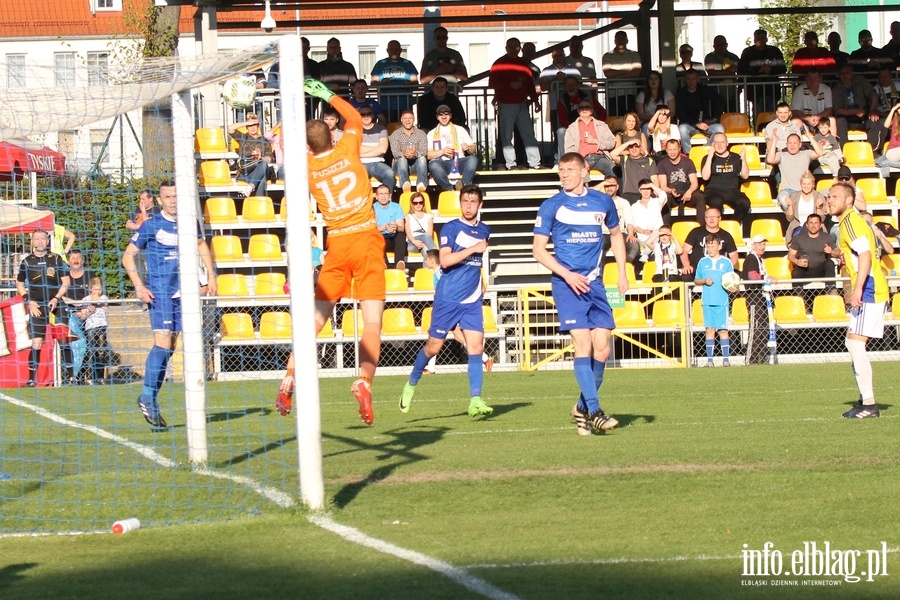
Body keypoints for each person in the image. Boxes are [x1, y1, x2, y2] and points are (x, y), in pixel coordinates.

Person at [277, 79, 388, 426]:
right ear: (331, 133)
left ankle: (290, 374)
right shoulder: (348, 148)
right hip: (366, 238)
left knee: (316, 319)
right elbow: (354, 118)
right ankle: (364, 380)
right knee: (372, 321)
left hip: (336, 243)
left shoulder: (306, 168)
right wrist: (326, 95)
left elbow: (284, 141)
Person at [532, 152, 627, 435]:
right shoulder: (552, 206)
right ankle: (596, 410)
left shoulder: (603, 201)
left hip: (595, 283)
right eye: (562, 170)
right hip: (567, 284)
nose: (565, 174)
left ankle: (581, 407)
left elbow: (616, 235)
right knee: (583, 344)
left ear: (585, 171)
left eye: (571, 169)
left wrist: (621, 272)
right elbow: (538, 250)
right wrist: (566, 274)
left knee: (603, 346)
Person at [121, 181, 217, 429]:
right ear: (160, 200)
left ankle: (148, 397)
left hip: (184, 292)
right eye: (167, 196)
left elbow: (200, 244)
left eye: (176, 196)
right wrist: (139, 286)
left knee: (171, 346)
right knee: (163, 343)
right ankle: (147, 398)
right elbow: (127, 256)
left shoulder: (189, 223)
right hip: (160, 292)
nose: (172, 200)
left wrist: (212, 274)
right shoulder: (151, 225)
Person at [398, 185, 493, 418]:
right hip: (448, 297)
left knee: (476, 348)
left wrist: (480, 280)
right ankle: (410, 385)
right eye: (465, 201)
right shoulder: (451, 228)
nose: (468, 205)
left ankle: (475, 399)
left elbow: (475, 263)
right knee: (433, 347)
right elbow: (446, 260)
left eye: (473, 201)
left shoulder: (484, 229)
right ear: (460, 203)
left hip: (472, 299)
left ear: (480, 205)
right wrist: (474, 249)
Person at [827, 183, 888, 419]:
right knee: (853, 343)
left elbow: (865, 254)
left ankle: (870, 405)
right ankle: (864, 401)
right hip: (870, 286)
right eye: (829, 196)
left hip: (870, 288)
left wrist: (859, 288)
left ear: (849, 200)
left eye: (835, 196)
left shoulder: (851, 220)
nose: (830, 200)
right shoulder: (847, 221)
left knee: (855, 344)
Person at [419, 249, 494, 376]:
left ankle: (430, 367)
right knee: (456, 335)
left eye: (427, 259)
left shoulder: (440, 274)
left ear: (431, 261)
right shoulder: (441, 272)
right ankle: (485, 358)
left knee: (435, 336)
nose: (425, 261)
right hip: (451, 307)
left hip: (448, 309)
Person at [16, 229, 71, 387]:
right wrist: (29, 301)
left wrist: (56, 298)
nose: (40, 242)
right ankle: (31, 379)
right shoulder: (27, 262)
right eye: (36, 239)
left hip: (56, 305)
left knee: (63, 340)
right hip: (37, 307)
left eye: (43, 239)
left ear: (48, 241)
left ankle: (72, 378)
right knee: (36, 343)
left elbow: (66, 282)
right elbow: (19, 283)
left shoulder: (56, 259)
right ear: (32, 242)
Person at [489, 37, 542, 171]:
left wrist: (535, 101)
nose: (513, 49)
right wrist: (509, 85)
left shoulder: (523, 64)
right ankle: (511, 164)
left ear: (519, 48)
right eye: (511, 47)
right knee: (507, 135)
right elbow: (492, 83)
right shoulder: (499, 64)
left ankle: (535, 162)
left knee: (528, 133)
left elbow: (530, 84)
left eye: (516, 47)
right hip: (506, 103)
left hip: (521, 103)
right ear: (506, 48)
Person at [694, 233, 735, 367]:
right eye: (708, 246)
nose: (710, 249)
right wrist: (704, 281)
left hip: (721, 301)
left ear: (719, 246)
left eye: (713, 246)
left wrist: (734, 288)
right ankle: (710, 360)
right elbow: (696, 279)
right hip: (707, 301)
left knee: (723, 330)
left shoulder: (726, 262)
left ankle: (726, 359)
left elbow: (732, 281)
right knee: (709, 329)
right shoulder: (702, 262)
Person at [740, 234, 778, 365]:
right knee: (755, 329)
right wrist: (767, 278)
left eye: (763, 244)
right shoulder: (751, 258)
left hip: (762, 297)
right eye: (759, 244)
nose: (762, 247)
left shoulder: (760, 259)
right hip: (754, 296)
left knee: (763, 328)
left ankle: (761, 357)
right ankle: (750, 358)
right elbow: (752, 276)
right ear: (753, 245)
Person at [765, 128, 824, 209]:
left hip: (803, 190)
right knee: (783, 200)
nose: (792, 145)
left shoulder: (806, 154)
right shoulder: (781, 155)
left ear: (800, 144)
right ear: (786, 144)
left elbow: (820, 152)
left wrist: (810, 137)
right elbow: (770, 159)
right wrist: (774, 141)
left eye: (795, 143)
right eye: (790, 143)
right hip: (787, 191)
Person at [700, 133, 751, 224]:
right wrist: (710, 158)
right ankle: (718, 229)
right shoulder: (707, 158)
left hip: (731, 190)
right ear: (713, 144)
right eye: (717, 142)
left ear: (727, 143)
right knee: (716, 202)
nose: (719, 145)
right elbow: (705, 176)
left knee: (744, 202)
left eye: (722, 142)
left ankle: (733, 225)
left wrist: (743, 160)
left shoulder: (735, 157)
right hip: (713, 191)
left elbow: (745, 175)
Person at [60, 248, 94, 384]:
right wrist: (74, 305)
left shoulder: (90, 274)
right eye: (73, 258)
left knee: (91, 343)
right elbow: (59, 296)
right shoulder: (63, 275)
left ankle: (85, 376)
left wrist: (87, 311)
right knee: (78, 343)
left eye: (78, 257)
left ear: (83, 260)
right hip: (69, 313)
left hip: (88, 313)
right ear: (68, 262)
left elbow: (96, 293)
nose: (76, 260)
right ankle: (71, 375)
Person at [426, 104, 479, 191]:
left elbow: (473, 149)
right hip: (442, 163)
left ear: (450, 116)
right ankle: (449, 189)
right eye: (441, 114)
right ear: (437, 117)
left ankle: (463, 185)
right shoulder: (431, 133)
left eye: (446, 114)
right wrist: (442, 152)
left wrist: (468, 148)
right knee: (433, 165)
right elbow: (428, 155)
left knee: (473, 159)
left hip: (459, 161)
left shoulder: (460, 129)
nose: (443, 116)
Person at [556, 75, 607, 162]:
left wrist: (597, 124)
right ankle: (564, 161)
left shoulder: (589, 97)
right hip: (572, 128)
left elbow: (602, 112)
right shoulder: (562, 101)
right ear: (564, 87)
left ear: (578, 85)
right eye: (568, 86)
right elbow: (563, 120)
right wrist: (577, 127)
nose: (570, 87)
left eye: (573, 85)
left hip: (590, 126)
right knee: (560, 131)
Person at [680, 206, 740, 279]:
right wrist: (686, 265)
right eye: (709, 217)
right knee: (685, 277)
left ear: (719, 218)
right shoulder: (695, 232)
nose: (711, 219)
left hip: (718, 271)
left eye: (714, 216)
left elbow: (734, 254)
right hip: (697, 270)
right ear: (705, 218)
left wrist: (727, 268)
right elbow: (685, 250)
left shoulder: (726, 235)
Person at [831, 64, 881, 150]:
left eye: (847, 73)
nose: (845, 76)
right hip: (847, 120)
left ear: (851, 73)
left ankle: (871, 150)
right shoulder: (836, 88)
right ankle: (844, 151)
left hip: (864, 118)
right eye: (842, 74)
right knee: (839, 121)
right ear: (839, 75)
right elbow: (837, 110)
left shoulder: (860, 81)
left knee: (874, 120)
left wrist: (872, 110)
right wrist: (855, 111)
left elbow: (874, 95)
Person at [657, 138, 706, 224]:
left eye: (674, 149)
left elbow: (695, 183)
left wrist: (689, 192)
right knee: (665, 197)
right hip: (672, 194)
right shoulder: (662, 164)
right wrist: (670, 190)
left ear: (679, 149)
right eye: (670, 150)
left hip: (687, 193)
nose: (672, 152)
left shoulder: (688, 162)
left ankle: (701, 228)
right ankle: (666, 230)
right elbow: (663, 186)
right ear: (666, 150)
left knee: (700, 196)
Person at [674, 69, 726, 151]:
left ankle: (707, 150)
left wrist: (715, 117)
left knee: (720, 128)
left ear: (698, 79)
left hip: (706, 124)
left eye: (693, 79)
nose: (691, 82)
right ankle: (689, 154)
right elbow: (681, 114)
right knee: (682, 128)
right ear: (685, 80)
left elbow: (720, 101)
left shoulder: (704, 90)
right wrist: (696, 124)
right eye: (688, 79)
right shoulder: (681, 93)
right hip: (689, 125)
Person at [563, 99, 616, 178]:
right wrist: (581, 160)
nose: (584, 109)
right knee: (580, 173)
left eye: (587, 107)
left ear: (591, 110)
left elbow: (612, 142)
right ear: (578, 111)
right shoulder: (571, 128)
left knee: (613, 168)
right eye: (582, 107)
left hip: (600, 158)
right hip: (582, 158)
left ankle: (611, 190)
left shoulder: (602, 125)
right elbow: (569, 150)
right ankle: (586, 190)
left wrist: (597, 141)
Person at [738, 29, 786, 113]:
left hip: (772, 91)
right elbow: (742, 69)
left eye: (762, 38)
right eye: (757, 38)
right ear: (754, 39)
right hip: (755, 92)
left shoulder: (775, 51)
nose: (759, 40)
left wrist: (771, 70)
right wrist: (758, 70)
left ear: (766, 39)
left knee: (772, 117)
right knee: (758, 118)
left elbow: (782, 68)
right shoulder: (748, 52)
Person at [594, 177, 640, 266]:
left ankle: (624, 267)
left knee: (634, 245)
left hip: (620, 233)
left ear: (617, 187)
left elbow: (629, 221)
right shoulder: (598, 201)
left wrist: (630, 233)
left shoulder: (624, 202)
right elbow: (589, 193)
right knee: (597, 247)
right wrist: (603, 183)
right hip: (603, 233)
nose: (609, 188)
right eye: (607, 185)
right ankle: (602, 273)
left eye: (612, 185)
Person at [370, 40, 419, 123]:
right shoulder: (380, 64)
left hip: (405, 105)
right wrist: (381, 84)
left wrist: (409, 84)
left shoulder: (408, 63)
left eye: (396, 49)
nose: (394, 51)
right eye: (391, 49)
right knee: (387, 129)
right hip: (385, 105)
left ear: (400, 50)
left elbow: (416, 83)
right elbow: (373, 83)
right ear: (387, 51)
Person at [227, 113, 274, 197]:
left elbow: (269, 157)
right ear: (247, 127)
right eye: (250, 125)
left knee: (262, 164)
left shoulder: (264, 140)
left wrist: (261, 158)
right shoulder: (243, 137)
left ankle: (250, 189)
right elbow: (230, 129)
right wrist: (245, 123)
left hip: (261, 167)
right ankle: (257, 202)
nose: (252, 127)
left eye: (254, 125)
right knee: (261, 178)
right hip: (247, 171)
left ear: (258, 126)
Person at [602, 30, 643, 116]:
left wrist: (616, 76)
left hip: (631, 94)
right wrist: (627, 71)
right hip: (612, 95)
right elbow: (608, 73)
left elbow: (636, 72)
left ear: (627, 40)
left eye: (622, 38)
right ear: (614, 41)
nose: (620, 40)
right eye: (618, 38)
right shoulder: (607, 55)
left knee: (631, 120)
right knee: (614, 121)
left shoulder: (634, 54)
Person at [788, 213, 839, 281]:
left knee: (830, 263)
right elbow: (790, 255)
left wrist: (831, 251)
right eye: (811, 223)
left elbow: (838, 253)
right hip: (804, 269)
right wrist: (797, 261)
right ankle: (798, 292)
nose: (813, 225)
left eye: (816, 223)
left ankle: (831, 290)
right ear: (807, 225)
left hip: (821, 270)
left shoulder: (827, 237)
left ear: (820, 225)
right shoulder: (798, 238)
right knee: (795, 272)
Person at [388, 109, 428, 194]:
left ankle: (421, 184)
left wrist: (415, 154)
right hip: (400, 166)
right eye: (405, 118)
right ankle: (405, 184)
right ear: (401, 120)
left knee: (422, 158)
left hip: (415, 165)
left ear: (413, 119)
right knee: (402, 159)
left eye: (410, 118)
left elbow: (424, 151)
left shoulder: (421, 134)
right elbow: (395, 153)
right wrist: (404, 154)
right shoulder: (395, 134)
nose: (407, 120)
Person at [82, 277, 112, 385]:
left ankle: (100, 377)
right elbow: (83, 316)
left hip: (102, 326)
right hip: (91, 327)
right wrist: (89, 311)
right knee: (91, 352)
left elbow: (107, 310)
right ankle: (91, 377)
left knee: (101, 352)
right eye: (95, 289)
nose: (98, 292)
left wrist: (102, 304)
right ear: (90, 289)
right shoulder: (86, 299)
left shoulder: (103, 297)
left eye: (99, 289)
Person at [609, 138, 659, 203]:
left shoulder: (649, 161)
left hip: (644, 194)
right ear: (628, 149)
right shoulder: (625, 160)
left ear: (641, 148)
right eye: (631, 147)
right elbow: (612, 154)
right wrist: (628, 143)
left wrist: (655, 196)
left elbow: (655, 180)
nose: (634, 149)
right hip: (628, 195)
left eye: (636, 146)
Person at [358, 105, 395, 191]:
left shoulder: (381, 129)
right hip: (361, 164)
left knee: (389, 173)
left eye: (368, 113)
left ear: (373, 115)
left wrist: (361, 151)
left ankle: (386, 199)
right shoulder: (356, 130)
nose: (366, 116)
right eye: (362, 114)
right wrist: (375, 148)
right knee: (359, 176)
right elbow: (355, 150)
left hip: (378, 163)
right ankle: (364, 202)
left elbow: (383, 149)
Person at [630, 179, 667, 263]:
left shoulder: (656, 202)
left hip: (657, 236)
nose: (646, 191)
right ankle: (647, 254)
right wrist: (643, 231)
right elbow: (633, 225)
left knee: (659, 231)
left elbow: (663, 195)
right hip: (642, 236)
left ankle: (645, 254)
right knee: (657, 245)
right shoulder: (634, 206)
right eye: (643, 189)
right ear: (639, 190)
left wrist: (652, 185)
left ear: (651, 190)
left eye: (648, 189)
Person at [783, 171, 826, 241]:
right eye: (804, 184)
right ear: (800, 184)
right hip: (798, 228)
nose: (806, 186)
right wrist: (790, 205)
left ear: (813, 185)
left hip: (815, 229)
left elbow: (822, 219)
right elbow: (789, 218)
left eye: (808, 184)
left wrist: (818, 208)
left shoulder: (818, 196)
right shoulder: (795, 196)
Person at [373, 184, 407, 271]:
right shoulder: (372, 208)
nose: (383, 196)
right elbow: (371, 229)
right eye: (380, 194)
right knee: (375, 237)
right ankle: (384, 264)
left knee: (401, 234)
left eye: (386, 193)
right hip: (381, 239)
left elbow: (402, 227)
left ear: (390, 196)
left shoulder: (396, 207)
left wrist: (395, 227)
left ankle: (399, 263)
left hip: (394, 239)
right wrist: (384, 228)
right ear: (376, 196)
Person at [704, 35, 741, 111]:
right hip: (716, 94)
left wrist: (740, 89)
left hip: (732, 94)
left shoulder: (734, 57)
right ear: (714, 46)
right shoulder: (710, 57)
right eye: (718, 45)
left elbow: (740, 72)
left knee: (733, 117)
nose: (721, 47)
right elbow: (711, 73)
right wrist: (728, 71)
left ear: (726, 45)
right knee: (717, 117)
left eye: (723, 44)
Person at [405, 192, 436, 259]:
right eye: (415, 203)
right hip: (411, 243)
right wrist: (414, 242)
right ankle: (436, 256)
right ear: (412, 204)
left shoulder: (429, 217)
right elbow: (408, 232)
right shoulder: (408, 216)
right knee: (425, 237)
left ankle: (427, 268)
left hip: (425, 241)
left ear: (423, 203)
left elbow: (429, 233)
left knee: (425, 248)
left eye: (420, 202)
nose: (418, 205)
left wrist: (424, 243)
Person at [875, 102, 900, 175]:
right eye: (898, 108)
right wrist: (893, 109)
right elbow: (886, 125)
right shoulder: (895, 119)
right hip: (892, 152)